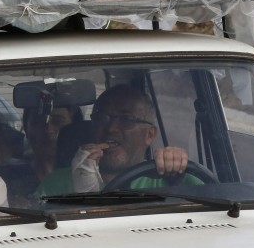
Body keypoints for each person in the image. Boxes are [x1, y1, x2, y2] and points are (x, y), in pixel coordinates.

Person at [35, 84, 195, 197]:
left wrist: (178, 163)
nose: (111, 128)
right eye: (103, 118)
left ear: (150, 135)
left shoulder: (168, 178)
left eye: (126, 120)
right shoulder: (55, 183)